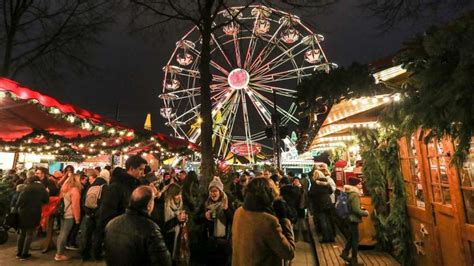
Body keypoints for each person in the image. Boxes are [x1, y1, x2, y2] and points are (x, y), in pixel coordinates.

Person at [232, 177, 295, 266]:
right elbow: (289, 253)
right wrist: (285, 221)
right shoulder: (268, 221)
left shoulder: (239, 212)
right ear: (270, 194)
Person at [104, 186, 171, 266]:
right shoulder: (151, 229)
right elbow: (163, 262)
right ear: (149, 205)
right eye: (153, 200)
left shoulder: (111, 224)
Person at [97, 155, 147, 259]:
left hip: (133, 235)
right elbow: (106, 215)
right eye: (140, 169)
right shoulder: (116, 187)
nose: (143, 173)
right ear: (131, 169)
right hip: (120, 236)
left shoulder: (137, 186)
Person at [196, 176, 233, 265]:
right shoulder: (205, 204)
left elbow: (233, 220)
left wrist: (226, 210)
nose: (213, 194)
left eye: (215, 191)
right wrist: (204, 216)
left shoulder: (227, 203)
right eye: (211, 191)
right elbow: (196, 219)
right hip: (208, 242)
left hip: (223, 243)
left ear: (220, 192)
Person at [16, 175, 49, 260]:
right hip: (35, 212)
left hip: (23, 212)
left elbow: (19, 202)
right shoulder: (42, 188)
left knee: (22, 233)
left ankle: (19, 253)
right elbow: (46, 201)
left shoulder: (26, 187)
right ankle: (24, 254)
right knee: (29, 233)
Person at [340, 177, 369, 265]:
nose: (361, 185)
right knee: (355, 240)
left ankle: (344, 253)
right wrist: (365, 213)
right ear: (355, 185)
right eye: (359, 184)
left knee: (352, 237)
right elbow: (356, 209)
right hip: (353, 219)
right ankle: (354, 259)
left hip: (348, 218)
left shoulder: (348, 193)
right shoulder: (355, 194)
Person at [55, 174, 82, 261]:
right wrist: (77, 218)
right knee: (64, 234)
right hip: (69, 214)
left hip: (62, 213)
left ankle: (59, 252)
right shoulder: (75, 190)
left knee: (62, 233)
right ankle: (59, 254)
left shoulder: (64, 189)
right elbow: (75, 205)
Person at [81, 172, 107, 261]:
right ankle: (96, 255)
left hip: (89, 214)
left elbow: (84, 200)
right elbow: (104, 203)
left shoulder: (91, 186)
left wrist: (88, 212)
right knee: (98, 235)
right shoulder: (105, 187)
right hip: (98, 215)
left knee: (87, 235)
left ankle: (85, 254)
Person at [309, 170, 335, 243]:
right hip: (328, 202)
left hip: (319, 204)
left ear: (315, 176)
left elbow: (311, 193)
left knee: (323, 220)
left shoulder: (315, 184)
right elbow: (331, 191)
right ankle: (331, 237)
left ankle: (326, 238)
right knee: (328, 220)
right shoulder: (327, 182)